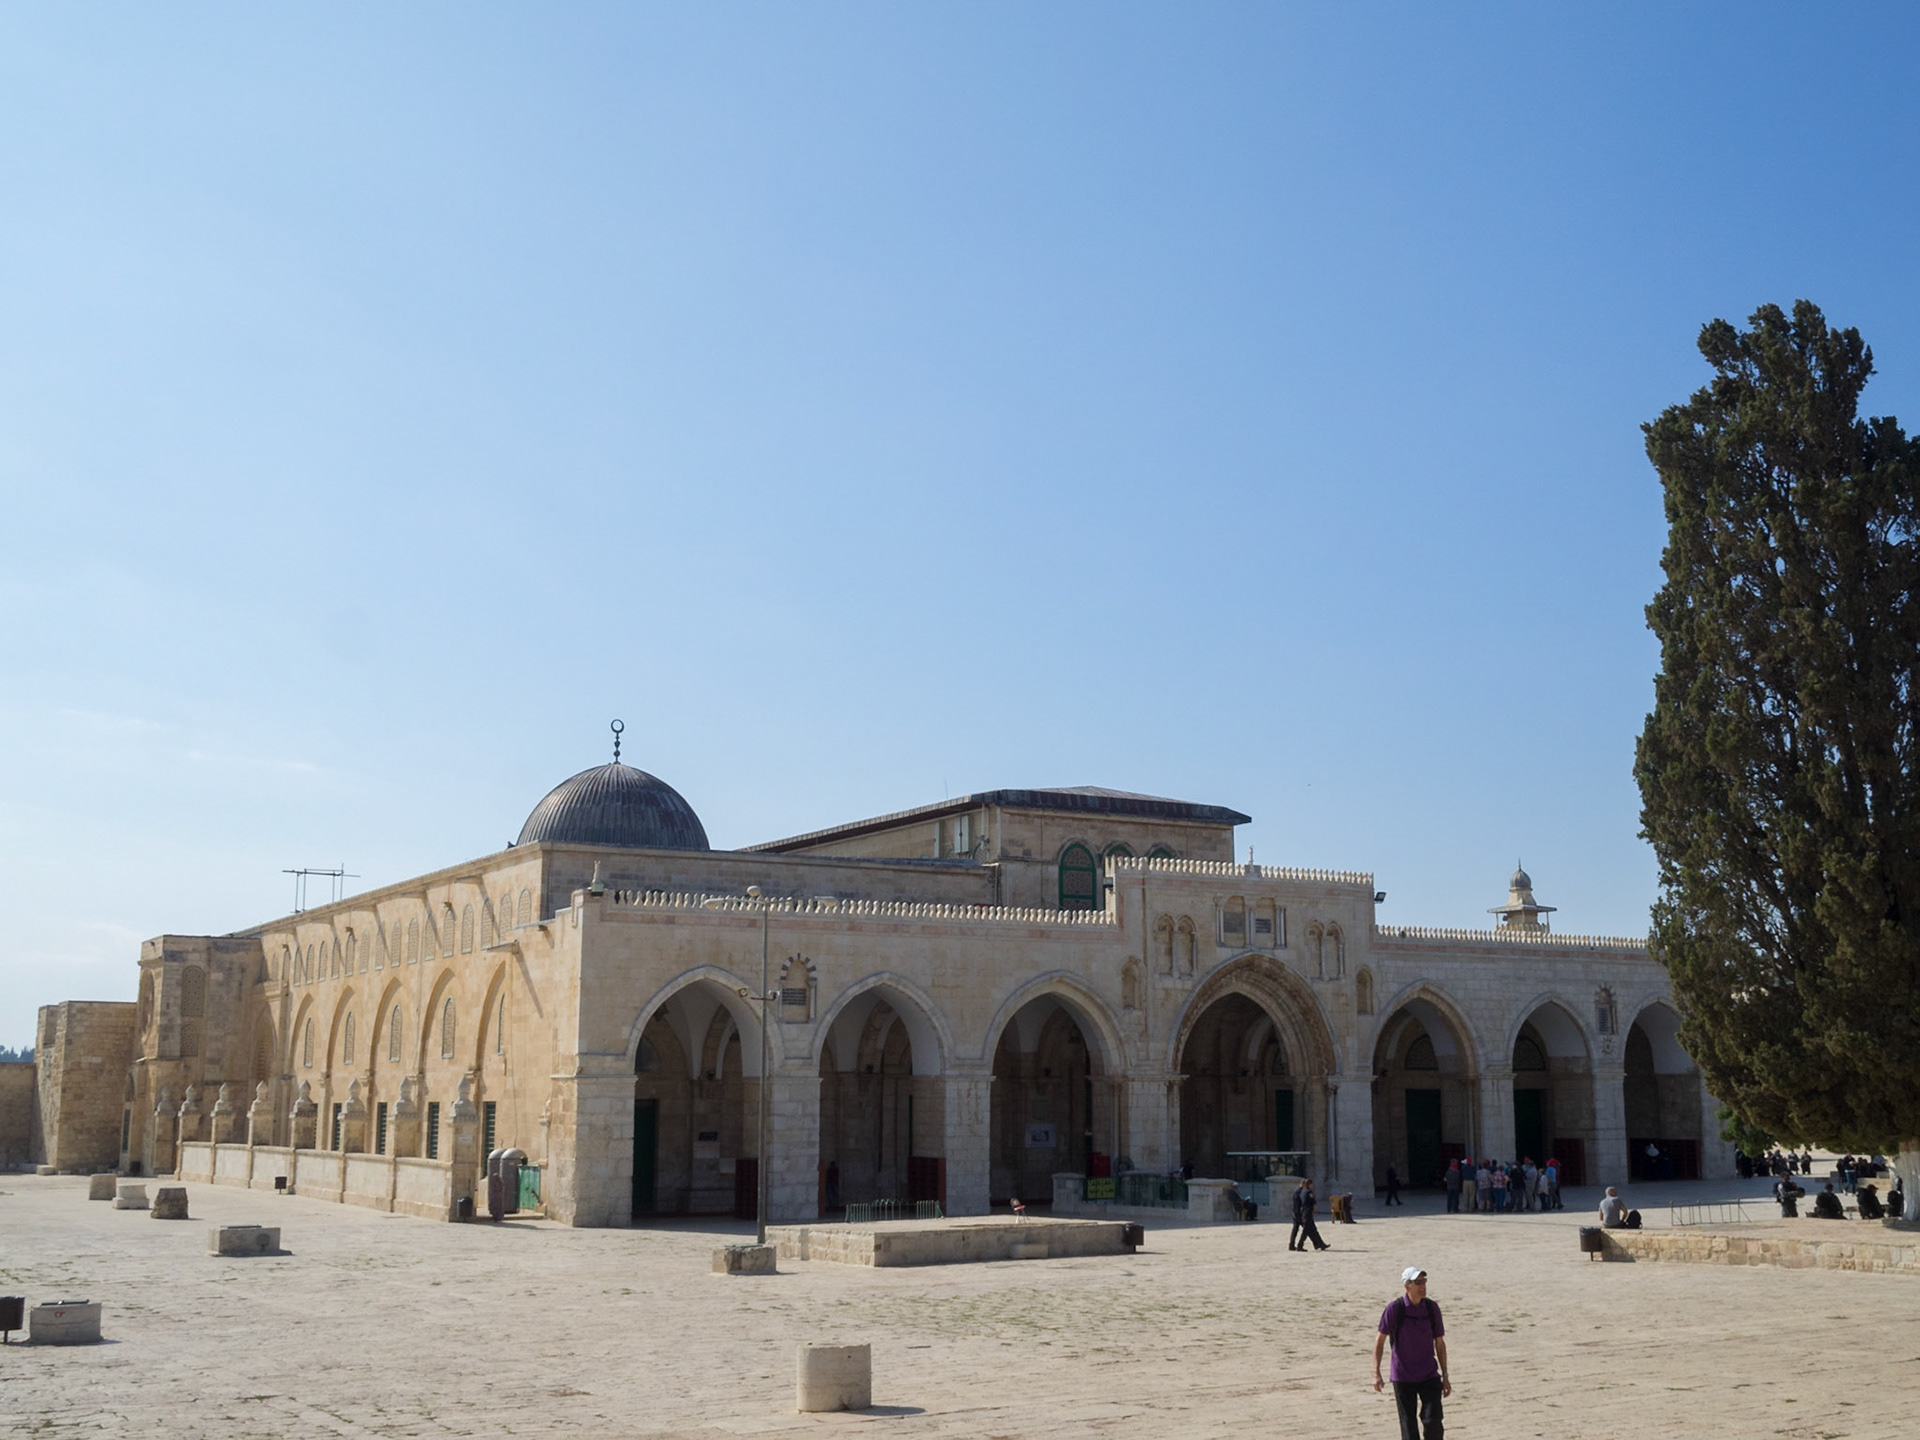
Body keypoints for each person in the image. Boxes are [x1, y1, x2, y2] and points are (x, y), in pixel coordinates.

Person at [1372, 1266, 1450, 1440]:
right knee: (1408, 1425)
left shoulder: (1431, 1308)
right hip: (1403, 1376)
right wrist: (1376, 1373)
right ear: (1407, 1285)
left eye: (1424, 1282)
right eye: (1418, 1282)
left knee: (1433, 1421)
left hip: (1429, 1374)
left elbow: (1439, 1343)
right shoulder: (1395, 1309)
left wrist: (1445, 1376)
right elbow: (1380, 1340)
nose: (1423, 1286)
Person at [1290, 1177, 1330, 1251]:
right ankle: (1300, 1245)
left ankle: (1319, 1244)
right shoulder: (1308, 1192)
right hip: (1305, 1213)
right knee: (1306, 1230)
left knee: (1312, 1229)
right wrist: (1313, 1209)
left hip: (1301, 1213)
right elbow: (1313, 1203)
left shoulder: (1300, 1192)